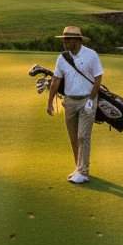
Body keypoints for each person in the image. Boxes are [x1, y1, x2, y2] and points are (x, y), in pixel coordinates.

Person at [46, 25, 103, 184]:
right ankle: (79, 168)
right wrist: (50, 102)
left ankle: (83, 172)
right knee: (73, 139)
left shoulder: (91, 55)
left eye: (68, 40)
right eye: (64, 39)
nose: (65, 42)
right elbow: (56, 80)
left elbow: (98, 78)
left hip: (87, 99)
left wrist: (92, 99)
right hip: (69, 101)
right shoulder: (62, 58)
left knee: (83, 136)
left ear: (78, 41)